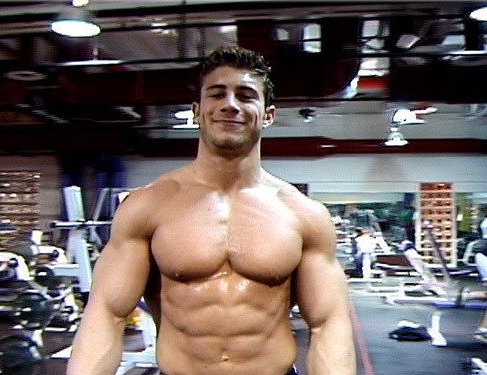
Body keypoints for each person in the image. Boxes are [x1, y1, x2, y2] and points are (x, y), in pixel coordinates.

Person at [67, 45, 356, 375]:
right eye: (217, 94)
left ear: (268, 115)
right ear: (197, 110)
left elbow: (329, 324)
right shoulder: (148, 206)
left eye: (246, 95)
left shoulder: (304, 215)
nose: (230, 105)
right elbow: (106, 314)